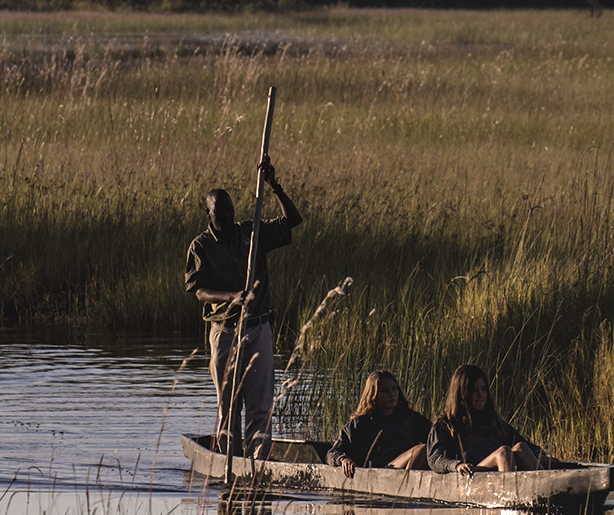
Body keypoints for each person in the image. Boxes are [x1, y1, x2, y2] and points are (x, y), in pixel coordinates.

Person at [183, 157, 303, 459]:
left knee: (261, 405)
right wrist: (231, 297)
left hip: (259, 327)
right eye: (218, 211)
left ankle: (258, 464)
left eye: (228, 209)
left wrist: (274, 186)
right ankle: (230, 464)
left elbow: (294, 220)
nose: (224, 215)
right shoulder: (200, 246)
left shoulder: (252, 232)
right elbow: (198, 291)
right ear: (207, 213)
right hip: (224, 331)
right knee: (229, 405)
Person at [425, 364, 549, 475]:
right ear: (462, 394)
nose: (481, 395)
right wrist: (456, 465)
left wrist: (539, 453)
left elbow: (521, 441)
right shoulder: (446, 425)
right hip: (473, 473)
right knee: (503, 452)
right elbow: (435, 459)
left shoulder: (492, 421)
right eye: (474, 390)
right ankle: (510, 496)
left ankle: (546, 489)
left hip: (498, 472)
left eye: (483, 389)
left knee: (521, 447)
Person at [326, 370, 431, 477]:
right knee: (422, 449)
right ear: (373, 395)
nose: (391, 395)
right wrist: (343, 459)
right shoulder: (360, 423)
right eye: (385, 391)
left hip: (405, 468)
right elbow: (332, 453)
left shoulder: (411, 419)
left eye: (394, 389)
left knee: (427, 450)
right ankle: (406, 486)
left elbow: (435, 439)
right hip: (378, 473)